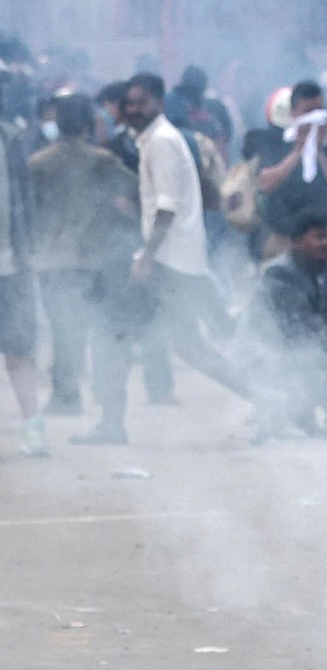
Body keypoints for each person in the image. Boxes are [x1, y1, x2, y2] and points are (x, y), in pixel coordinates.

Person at [80, 74, 251, 445]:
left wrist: (146, 257)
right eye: (129, 103)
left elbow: (167, 207)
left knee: (114, 334)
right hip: (179, 262)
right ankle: (270, 399)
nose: (133, 109)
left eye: (142, 102)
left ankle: (111, 425)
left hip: (166, 263)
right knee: (191, 347)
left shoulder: (160, 142)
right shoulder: (160, 140)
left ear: (158, 101)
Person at [29, 90, 138, 419]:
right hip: (95, 257)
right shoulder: (102, 161)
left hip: (53, 257)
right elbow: (134, 189)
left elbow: (28, 211)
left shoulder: (38, 163)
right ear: (90, 124)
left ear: (57, 123)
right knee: (97, 327)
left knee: (63, 328)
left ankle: (66, 395)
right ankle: (102, 397)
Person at [245, 209, 327, 439]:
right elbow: (295, 332)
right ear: (297, 242)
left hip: (306, 353)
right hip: (269, 356)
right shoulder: (279, 274)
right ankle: (282, 412)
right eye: (319, 237)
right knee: (310, 358)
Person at [257, 80, 327, 259]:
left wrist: (320, 153)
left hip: (325, 238)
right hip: (284, 238)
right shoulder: (276, 141)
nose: (314, 118)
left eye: (319, 111)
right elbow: (266, 184)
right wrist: (298, 151)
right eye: (308, 112)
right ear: (293, 113)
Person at [0, 86, 45, 456]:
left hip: (10, 263)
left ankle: (34, 428)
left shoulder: (10, 139)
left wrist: (28, 249)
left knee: (19, 350)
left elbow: (25, 201)